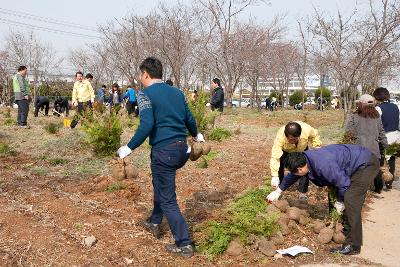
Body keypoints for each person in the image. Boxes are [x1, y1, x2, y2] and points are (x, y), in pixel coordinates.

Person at [117, 57, 204, 258]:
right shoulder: (177, 92)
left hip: (163, 152)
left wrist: (128, 147)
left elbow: (146, 125)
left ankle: (184, 243)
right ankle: (155, 221)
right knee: (161, 185)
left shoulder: (145, 95)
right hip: (181, 150)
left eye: (141, 75)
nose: (140, 78)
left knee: (168, 199)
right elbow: (189, 119)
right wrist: (196, 134)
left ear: (145, 74)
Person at [267, 144, 380, 255]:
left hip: (365, 165)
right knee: (334, 192)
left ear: (301, 168)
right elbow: (293, 175)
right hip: (351, 163)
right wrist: (278, 191)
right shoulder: (303, 159)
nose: (296, 174)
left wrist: (340, 201)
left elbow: (344, 184)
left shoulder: (323, 165)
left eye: (297, 172)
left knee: (351, 200)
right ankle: (343, 227)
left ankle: (353, 245)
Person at [345, 94, 387, 193]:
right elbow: (381, 132)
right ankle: (378, 188)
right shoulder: (377, 116)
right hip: (374, 150)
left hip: (359, 151)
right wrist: (385, 145)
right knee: (376, 170)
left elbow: (348, 133)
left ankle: (361, 189)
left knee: (360, 171)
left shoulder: (354, 116)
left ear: (361, 104)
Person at [270, 121, 322, 201]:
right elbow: (275, 156)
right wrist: (274, 175)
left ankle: (302, 192)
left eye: (296, 139)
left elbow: (315, 136)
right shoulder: (280, 136)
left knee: (304, 169)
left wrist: (317, 147)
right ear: (286, 136)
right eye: (291, 139)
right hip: (286, 151)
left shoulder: (306, 129)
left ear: (299, 135)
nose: (294, 141)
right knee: (280, 166)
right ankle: (278, 189)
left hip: (302, 149)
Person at [373, 87, 400, 189]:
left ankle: (379, 186)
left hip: (386, 136)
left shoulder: (378, 109)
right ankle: (389, 183)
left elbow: (376, 124)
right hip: (396, 136)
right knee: (391, 159)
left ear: (377, 97)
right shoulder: (395, 106)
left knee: (380, 161)